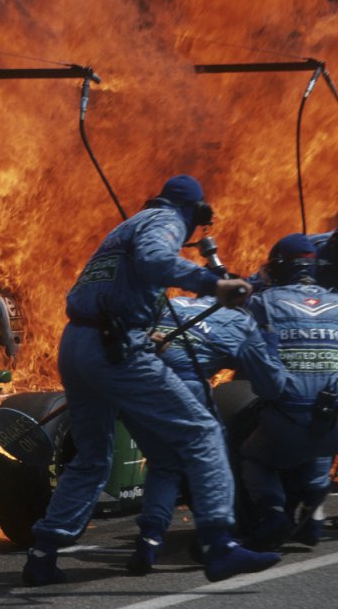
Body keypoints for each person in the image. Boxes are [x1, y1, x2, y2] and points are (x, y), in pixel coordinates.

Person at [22, 174, 281, 586]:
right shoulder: (165, 222)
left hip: (77, 343)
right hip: (113, 347)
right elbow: (155, 261)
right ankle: (220, 546)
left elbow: (121, 284)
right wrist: (214, 283)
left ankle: (42, 554)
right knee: (202, 432)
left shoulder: (121, 230)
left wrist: (147, 330)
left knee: (91, 459)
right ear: (194, 212)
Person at [120, 295, 289, 574]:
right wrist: (268, 343)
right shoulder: (238, 321)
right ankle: (220, 541)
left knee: (165, 466)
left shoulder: (174, 303)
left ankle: (148, 543)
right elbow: (271, 385)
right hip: (183, 391)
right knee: (214, 460)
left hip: (133, 387)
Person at [240, 233, 338, 550]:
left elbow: (261, 372)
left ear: (280, 267)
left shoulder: (262, 303)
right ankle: (314, 514)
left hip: (287, 422)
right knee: (319, 442)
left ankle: (272, 514)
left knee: (254, 457)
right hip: (333, 423)